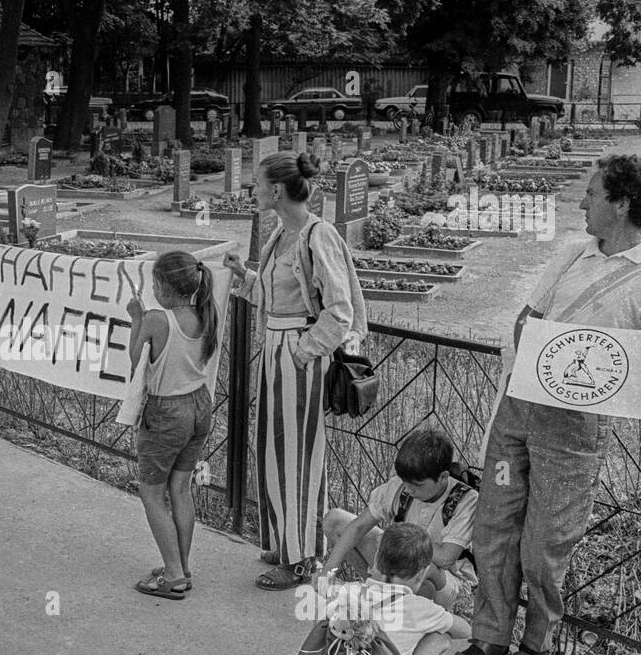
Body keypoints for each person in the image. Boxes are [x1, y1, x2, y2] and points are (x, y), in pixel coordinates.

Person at [448, 155, 641, 655]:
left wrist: (576, 373)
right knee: (494, 528)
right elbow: (525, 319)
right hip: (519, 412)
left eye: (593, 193)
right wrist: (535, 367)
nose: (581, 201)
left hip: (575, 428)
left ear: (622, 204)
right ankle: (488, 636)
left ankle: (537, 641)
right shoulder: (570, 257)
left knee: (544, 544)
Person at [223, 151, 368, 591]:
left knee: (296, 453)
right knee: (275, 448)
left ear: (278, 190)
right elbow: (275, 298)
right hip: (277, 347)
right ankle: (289, 542)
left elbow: (339, 309)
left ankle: (302, 556)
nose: (253, 190)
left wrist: (305, 352)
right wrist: (242, 275)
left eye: (257, 183)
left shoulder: (314, 235)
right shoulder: (281, 236)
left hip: (298, 354)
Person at [128, 251, 222, 600]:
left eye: (155, 283)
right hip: (199, 406)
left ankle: (172, 576)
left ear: (165, 287)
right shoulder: (205, 312)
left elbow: (135, 359)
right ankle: (181, 567)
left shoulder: (157, 318)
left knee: (151, 493)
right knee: (180, 489)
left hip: (166, 412)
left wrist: (136, 318)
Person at [328, 523, 470, 655]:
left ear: (375, 560)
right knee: (442, 638)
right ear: (422, 574)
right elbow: (465, 631)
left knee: (329, 620)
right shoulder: (421, 608)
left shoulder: (347, 591)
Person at [319, 428, 478, 610]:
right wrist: (327, 572)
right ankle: (379, 595)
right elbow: (358, 527)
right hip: (401, 566)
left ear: (443, 477)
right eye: (405, 483)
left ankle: (399, 609)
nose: (409, 490)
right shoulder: (403, 485)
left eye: (417, 485)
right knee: (335, 520)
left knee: (420, 570)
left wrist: (399, 543)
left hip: (447, 582)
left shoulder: (466, 499)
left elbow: (444, 558)